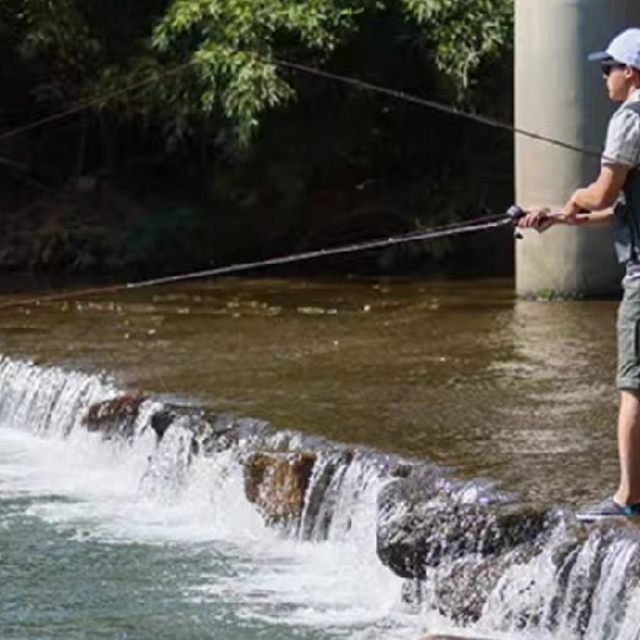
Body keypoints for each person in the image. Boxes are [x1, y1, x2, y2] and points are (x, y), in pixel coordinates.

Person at [518, 27, 640, 521]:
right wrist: (561, 216)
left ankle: (628, 498)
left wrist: (574, 199)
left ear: (631, 71)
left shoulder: (628, 118)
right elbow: (622, 211)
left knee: (633, 388)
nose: (604, 76)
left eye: (608, 67)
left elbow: (604, 194)